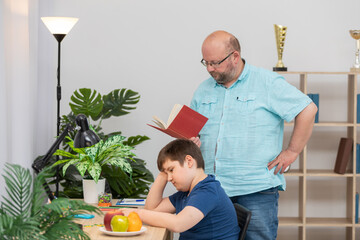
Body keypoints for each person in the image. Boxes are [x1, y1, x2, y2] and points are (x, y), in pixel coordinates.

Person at [190, 30, 318, 240]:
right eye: (206, 63)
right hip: (211, 187)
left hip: (255, 189)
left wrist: (292, 151)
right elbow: (193, 130)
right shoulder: (203, 90)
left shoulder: (267, 82)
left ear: (235, 57)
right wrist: (190, 141)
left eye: (215, 63)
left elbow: (307, 109)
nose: (210, 69)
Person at [120, 139, 240, 240]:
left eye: (171, 170)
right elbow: (152, 209)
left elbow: (178, 224)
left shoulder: (208, 191)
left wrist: (137, 213)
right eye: (166, 173)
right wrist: (163, 174)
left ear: (189, 161)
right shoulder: (187, 193)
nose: (169, 178)